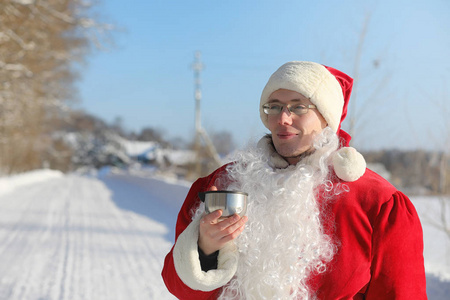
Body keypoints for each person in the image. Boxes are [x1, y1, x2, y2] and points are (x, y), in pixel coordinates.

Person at [162, 61, 427, 299]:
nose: (282, 118)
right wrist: (205, 249)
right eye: (273, 106)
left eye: (298, 107)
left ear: (327, 118)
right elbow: (181, 289)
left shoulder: (379, 203)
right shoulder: (222, 184)